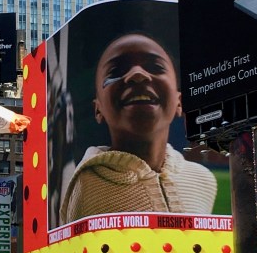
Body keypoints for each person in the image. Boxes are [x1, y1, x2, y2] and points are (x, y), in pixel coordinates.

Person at [62, 30, 217, 223]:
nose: (137, 74)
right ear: (98, 109)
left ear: (179, 102)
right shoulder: (86, 186)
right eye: (116, 72)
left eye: (155, 66)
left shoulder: (203, 180)